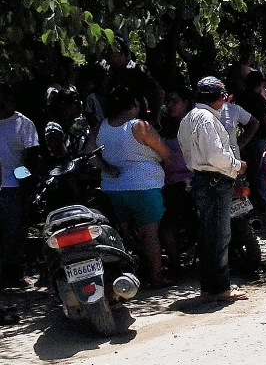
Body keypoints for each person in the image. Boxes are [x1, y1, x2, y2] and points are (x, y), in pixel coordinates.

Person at [94, 88, 173, 288]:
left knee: (126, 233)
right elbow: (165, 153)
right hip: (144, 185)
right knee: (150, 233)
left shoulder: (100, 127)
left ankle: (135, 272)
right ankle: (156, 276)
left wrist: (107, 168)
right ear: (132, 105)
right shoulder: (139, 126)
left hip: (113, 188)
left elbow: (89, 154)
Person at [179, 77, 247, 303]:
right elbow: (215, 156)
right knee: (219, 236)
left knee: (208, 235)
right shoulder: (207, 119)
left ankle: (209, 287)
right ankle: (219, 288)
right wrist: (237, 165)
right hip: (214, 181)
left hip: (201, 180)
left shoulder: (189, 118)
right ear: (219, 98)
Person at [0, 83, 39, 288]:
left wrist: (26, 183)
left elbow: (31, 155)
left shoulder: (23, 123)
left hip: (13, 185)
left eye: (6, 99)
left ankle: (12, 271)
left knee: (14, 231)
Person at [158, 89, 196, 277]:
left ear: (186, 101)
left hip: (196, 179)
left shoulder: (197, 122)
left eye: (174, 100)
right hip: (173, 182)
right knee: (167, 224)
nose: (169, 105)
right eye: (168, 101)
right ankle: (174, 264)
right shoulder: (165, 125)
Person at [103, 36, 164, 127]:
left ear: (121, 54)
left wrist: (154, 118)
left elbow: (159, 92)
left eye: (111, 54)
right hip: (115, 122)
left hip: (139, 121)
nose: (108, 58)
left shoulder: (138, 71)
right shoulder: (110, 73)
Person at [238, 71, 266, 207]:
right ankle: (262, 201)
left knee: (253, 171)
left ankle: (254, 200)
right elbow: (265, 119)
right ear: (260, 84)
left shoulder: (242, 98)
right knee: (261, 171)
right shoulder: (256, 99)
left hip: (248, 140)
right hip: (260, 139)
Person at [43, 86, 89, 167]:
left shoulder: (79, 124)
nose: (80, 107)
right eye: (75, 104)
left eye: (80, 103)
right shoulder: (53, 128)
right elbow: (63, 157)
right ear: (64, 105)